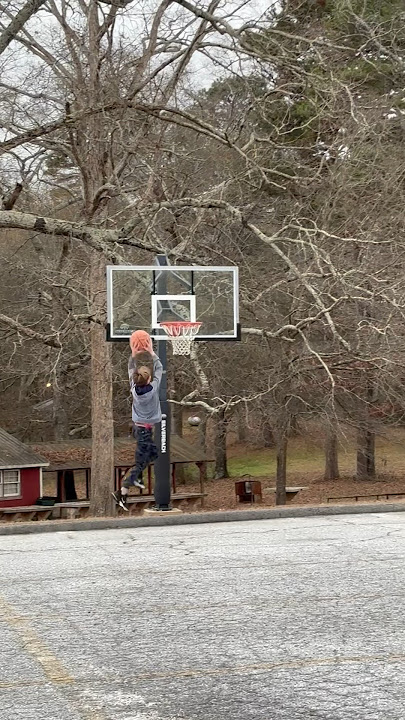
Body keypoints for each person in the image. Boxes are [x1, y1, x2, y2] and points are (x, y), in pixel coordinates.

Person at [113, 332, 163, 511]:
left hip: (138, 428)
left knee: (151, 455)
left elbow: (133, 369)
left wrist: (133, 355)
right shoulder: (153, 389)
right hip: (144, 430)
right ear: (149, 379)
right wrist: (150, 352)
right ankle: (123, 491)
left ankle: (136, 480)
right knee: (148, 458)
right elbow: (159, 367)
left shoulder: (134, 388)